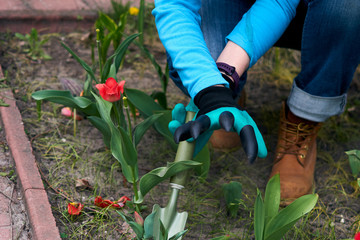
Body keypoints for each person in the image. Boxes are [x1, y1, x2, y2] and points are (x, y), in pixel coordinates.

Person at [152, 0, 360, 204]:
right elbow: (175, 5)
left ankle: (303, 118)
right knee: (206, 58)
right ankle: (230, 94)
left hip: (322, 13)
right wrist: (214, 87)